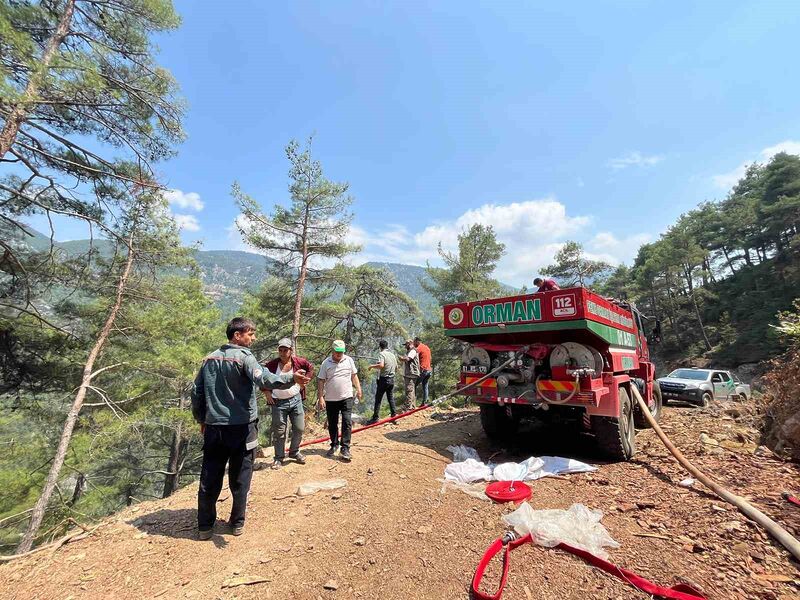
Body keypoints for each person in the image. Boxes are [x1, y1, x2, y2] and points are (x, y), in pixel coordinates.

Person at [191, 317, 309, 541]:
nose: (253, 338)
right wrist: (290, 378)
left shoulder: (209, 359)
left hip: (214, 429)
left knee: (210, 477)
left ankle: (205, 526)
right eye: (250, 334)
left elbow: (196, 393)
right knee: (241, 477)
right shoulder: (245, 358)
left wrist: (202, 419)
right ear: (237, 335)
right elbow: (263, 378)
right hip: (242, 428)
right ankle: (236, 523)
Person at [262, 338, 315, 469]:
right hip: (278, 403)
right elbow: (262, 379)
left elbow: (310, 367)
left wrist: (305, 381)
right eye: (280, 350)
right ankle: (279, 458)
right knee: (280, 431)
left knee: (299, 427)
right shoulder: (272, 365)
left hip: (295, 400)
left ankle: (294, 452)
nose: (283, 352)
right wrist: (266, 392)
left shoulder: (298, 362)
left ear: (291, 351)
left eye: (285, 350)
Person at [317, 340, 362, 462]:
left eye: (341, 352)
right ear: (332, 351)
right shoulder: (326, 363)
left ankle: (345, 447)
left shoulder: (349, 360)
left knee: (347, 422)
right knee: (332, 423)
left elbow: (354, 375)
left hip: (346, 397)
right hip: (331, 399)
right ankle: (334, 444)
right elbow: (321, 380)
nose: (339, 354)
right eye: (337, 352)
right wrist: (321, 397)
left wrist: (358, 389)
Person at [366, 340, 398, 424]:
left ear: (380, 347)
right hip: (391, 379)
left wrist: (372, 366)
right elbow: (396, 367)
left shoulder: (381, 354)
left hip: (384, 380)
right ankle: (394, 415)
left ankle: (375, 418)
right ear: (387, 346)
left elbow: (381, 365)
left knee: (378, 399)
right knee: (390, 397)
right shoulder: (392, 355)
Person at [398, 339, 420, 411]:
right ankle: (412, 406)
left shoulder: (413, 351)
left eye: (406, 345)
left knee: (409, 389)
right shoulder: (411, 351)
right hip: (411, 373)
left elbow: (408, 359)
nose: (405, 346)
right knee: (412, 389)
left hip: (411, 373)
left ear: (410, 344)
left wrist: (401, 358)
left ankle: (408, 407)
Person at [413, 336, 432, 405]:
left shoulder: (419, 347)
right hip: (429, 370)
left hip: (423, 370)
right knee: (425, 386)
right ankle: (425, 402)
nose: (413, 343)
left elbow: (413, 354)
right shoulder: (427, 347)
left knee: (413, 385)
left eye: (414, 342)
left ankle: (412, 402)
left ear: (417, 341)